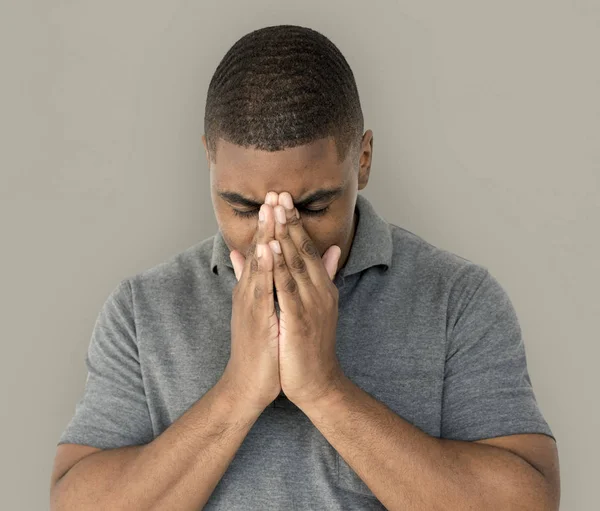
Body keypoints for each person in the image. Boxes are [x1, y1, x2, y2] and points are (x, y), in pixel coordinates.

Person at [50, 24, 560, 510]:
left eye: (313, 208)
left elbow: (528, 503)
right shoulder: (142, 309)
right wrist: (238, 392)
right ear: (210, 159)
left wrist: (323, 389)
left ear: (362, 159)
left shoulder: (458, 299)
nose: (274, 236)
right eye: (244, 209)